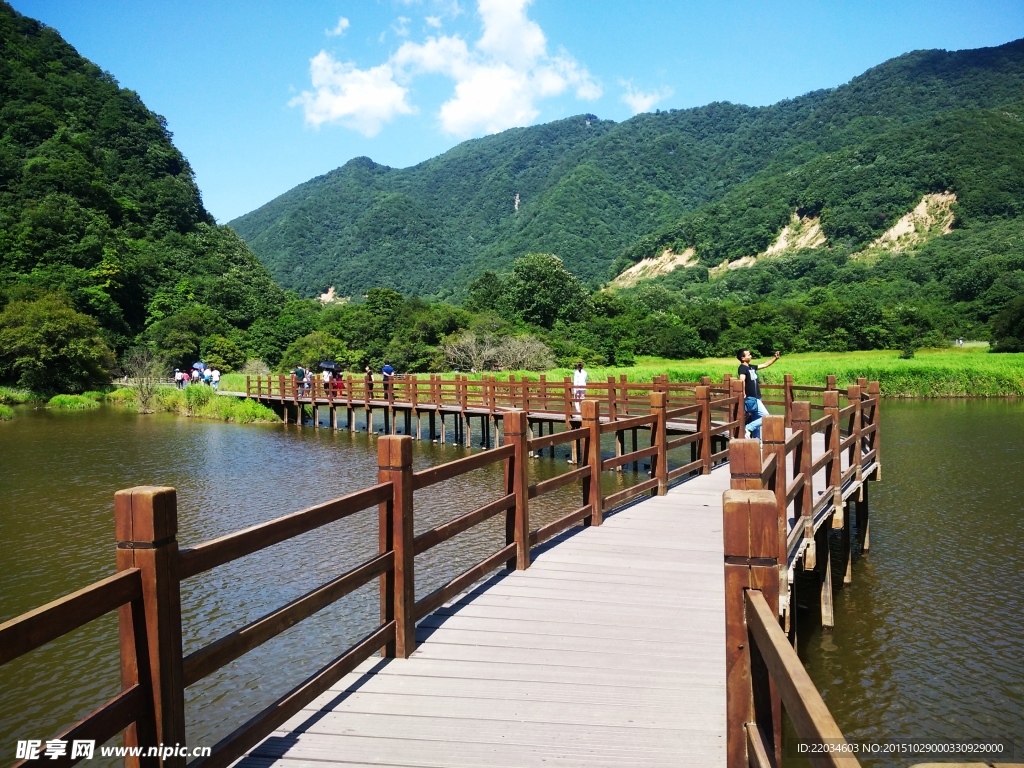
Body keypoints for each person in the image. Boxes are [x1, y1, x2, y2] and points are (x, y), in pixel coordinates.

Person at [737, 348, 780, 439]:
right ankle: (748, 427)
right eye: (748, 355)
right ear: (743, 358)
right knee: (766, 416)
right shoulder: (742, 368)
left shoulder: (751, 367)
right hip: (751, 399)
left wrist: (775, 358)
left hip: (757, 398)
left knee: (756, 421)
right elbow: (742, 380)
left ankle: (757, 442)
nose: (750, 355)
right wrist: (743, 392)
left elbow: (765, 364)